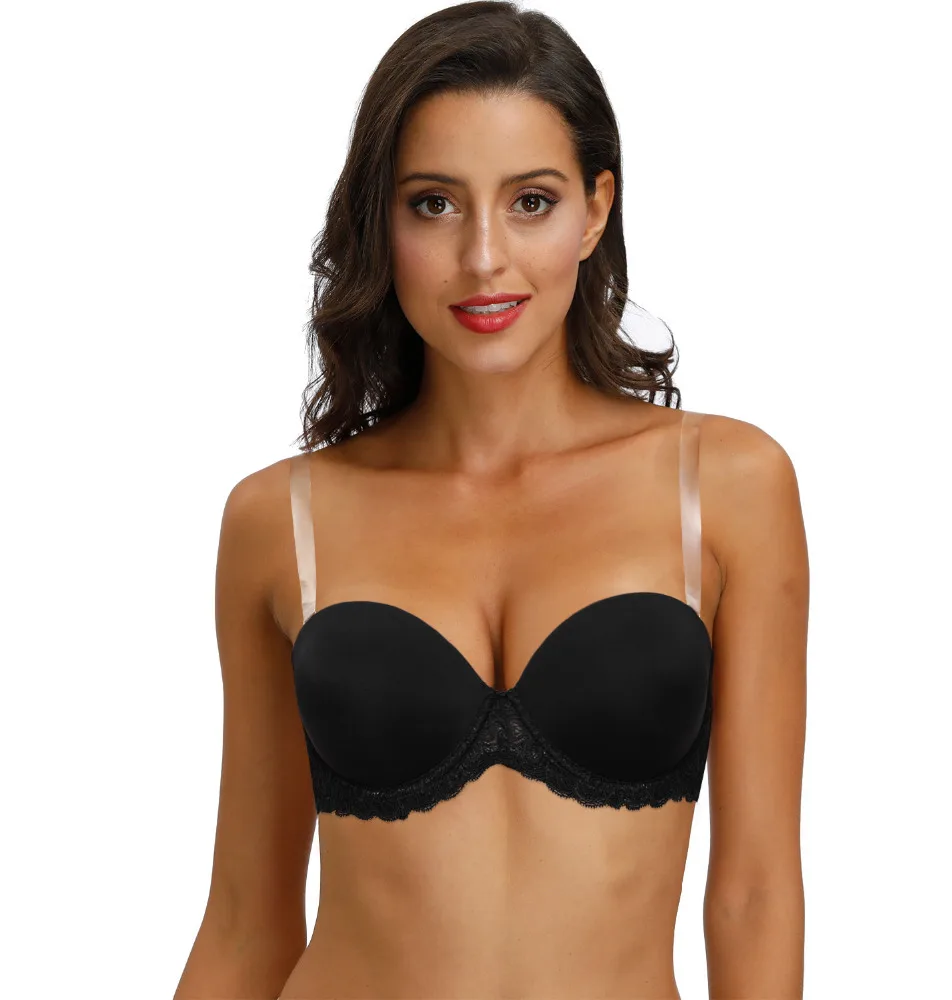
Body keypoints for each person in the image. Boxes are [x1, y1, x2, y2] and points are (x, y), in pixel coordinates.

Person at [174, 2, 808, 997]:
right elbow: (247, 918)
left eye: (530, 201)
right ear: (381, 221)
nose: (482, 257)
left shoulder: (725, 488)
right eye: (433, 203)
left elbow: (755, 895)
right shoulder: (280, 521)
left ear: (594, 209)